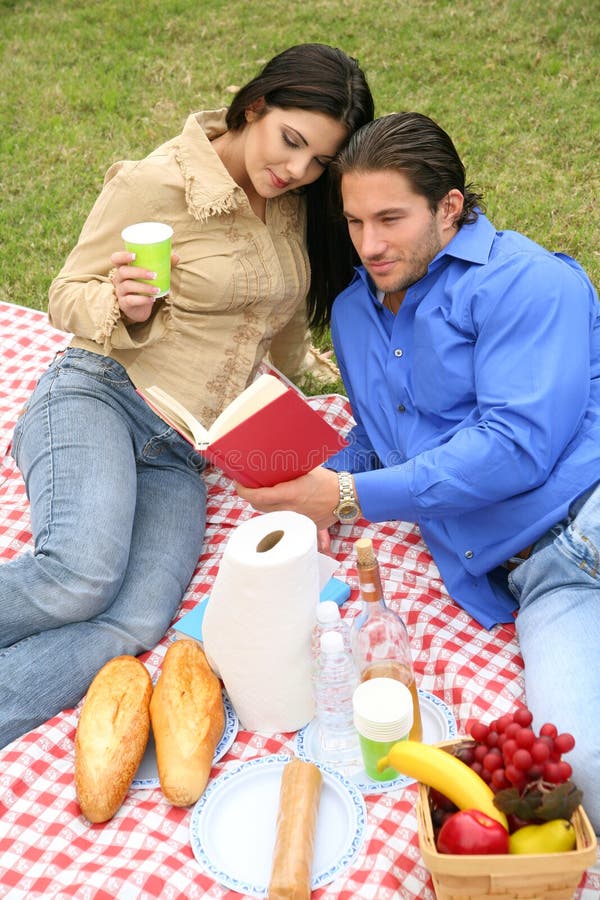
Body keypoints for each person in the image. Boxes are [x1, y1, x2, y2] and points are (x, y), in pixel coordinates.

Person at [0, 43, 374, 748]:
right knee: (80, 577)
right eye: (290, 141)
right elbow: (64, 294)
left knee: (135, 621)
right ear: (255, 105)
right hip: (100, 396)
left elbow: (283, 319)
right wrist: (124, 305)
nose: (296, 170)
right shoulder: (156, 184)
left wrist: (306, 413)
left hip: (185, 450)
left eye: (317, 160)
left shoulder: (288, 203)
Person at [236, 112, 600, 832]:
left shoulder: (527, 283)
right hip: (542, 578)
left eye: (391, 219)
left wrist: (344, 496)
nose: (370, 245)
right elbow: (381, 437)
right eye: (353, 222)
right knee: (581, 774)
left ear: (450, 208)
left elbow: (514, 447)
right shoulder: (353, 312)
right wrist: (297, 485)